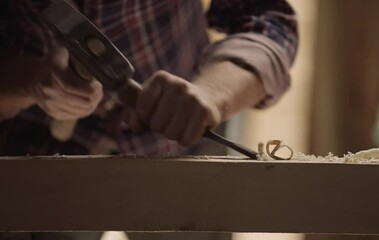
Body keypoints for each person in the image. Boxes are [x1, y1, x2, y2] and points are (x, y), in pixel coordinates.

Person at [0, 0, 298, 239]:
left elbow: (269, 19)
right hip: (32, 163)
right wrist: (28, 81)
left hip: (183, 150)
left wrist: (213, 94)